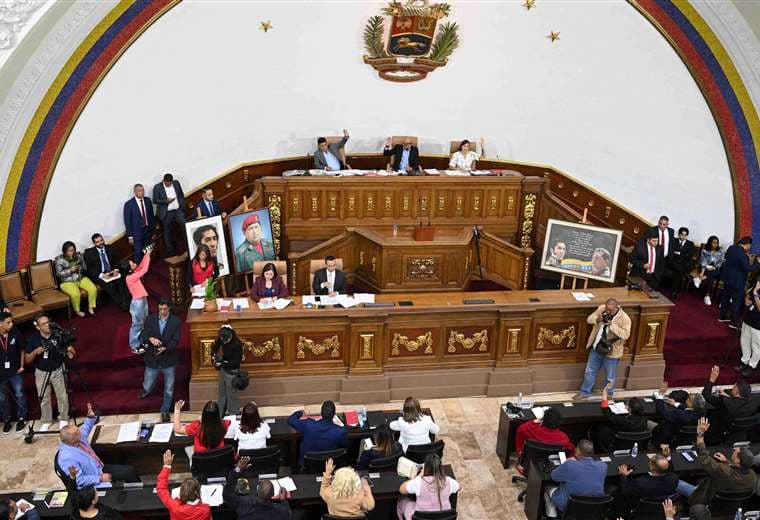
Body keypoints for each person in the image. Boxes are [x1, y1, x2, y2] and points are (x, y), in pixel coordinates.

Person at [676, 417, 757, 506]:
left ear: (738, 460)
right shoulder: (753, 476)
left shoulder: (724, 471)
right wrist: (727, 461)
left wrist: (700, 434)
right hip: (726, 505)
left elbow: (704, 458)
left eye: (736, 452)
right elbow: (735, 473)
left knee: (676, 482)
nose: (734, 451)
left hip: (703, 497)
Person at [57, 402, 140, 487]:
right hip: (94, 478)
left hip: (97, 466)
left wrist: (90, 417)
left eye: (78, 430)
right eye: (77, 432)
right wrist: (99, 478)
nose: (81, 432)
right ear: (71, 441)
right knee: (129, 471)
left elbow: (85, 429)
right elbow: (78, 480)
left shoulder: (77, 437)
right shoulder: (66, 459)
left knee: (126, 466)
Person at [24, 314, 74, 431]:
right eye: (44, 324)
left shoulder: (58, 335)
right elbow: (27, 359)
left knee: (62, 395)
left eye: (48, 322)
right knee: (44, 398)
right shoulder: (33, 339)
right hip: (41, 372)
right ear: (38, 327)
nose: (48, 325)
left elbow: (71, 350)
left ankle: (63, 418)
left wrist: (69, 351)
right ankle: (46, 420)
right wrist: (35, 352)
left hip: (57, 369)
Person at [574, 298, 631, 400]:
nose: (608, 312)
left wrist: (612, 325)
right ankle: (584, 392)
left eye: (610, 310)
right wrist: (597, 319)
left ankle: (608, 395)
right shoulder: (602, 309)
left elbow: (625, 335)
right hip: (597, 348)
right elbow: (589, 319)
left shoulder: (624, 318)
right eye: (607, 309)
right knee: (589, 371)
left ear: (616, 307)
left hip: (612, 351)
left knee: (610, 376)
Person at [138, 299, 181, 423]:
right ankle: (147, 390)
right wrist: (150, 338)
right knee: (148, 383)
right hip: (153, 358)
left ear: (169, 308)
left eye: (165, 309)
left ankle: (165, 410)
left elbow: (176, 340)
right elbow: (143, 335)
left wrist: (166, 348)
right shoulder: (150, 319)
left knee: (169, 388)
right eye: (160, 309)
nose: (162, 311)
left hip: (168, 360)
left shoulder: (175, 322)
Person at [545, 439, 606, 518]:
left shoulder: (570, 465)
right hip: (593, 508)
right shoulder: (603, 466)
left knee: (547, 488)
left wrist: (567, 463)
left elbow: (553, 477)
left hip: (569, 508)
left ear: (578, 452)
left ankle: (553, 517)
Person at [223, 456, 293, 520]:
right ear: (273, 494)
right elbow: (288, 515)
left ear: (257, 491)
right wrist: (284, 500)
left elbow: (227, 494)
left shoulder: (243, 505)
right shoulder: (281, 511)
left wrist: (237, 470)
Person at [701, 365, 756, 444]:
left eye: (733, 388)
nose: (732, 389)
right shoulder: (753, 403)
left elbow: (706, 394)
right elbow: (737, 402)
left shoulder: (724, 402)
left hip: (721, 428)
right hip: (740, 429)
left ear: (736, 392)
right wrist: (728, 397)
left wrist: (712, 379)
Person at [397, 453, 460, 520]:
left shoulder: (418, 481)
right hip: (443, 517)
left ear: (425, 468)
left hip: (420, 517)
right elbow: (459, 488)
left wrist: (419, 475)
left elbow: (401, 489)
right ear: (440, 468)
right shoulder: (449, 481)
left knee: (402, 500)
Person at [287, 400, 347, 467]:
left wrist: (300, 412)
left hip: (307, 466)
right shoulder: (340, 431)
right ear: (334, 415)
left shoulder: (309, 425)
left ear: (321, 413)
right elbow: (345, 446)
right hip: (329, 467)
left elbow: (291, 419)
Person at [591, 383, 647, 453]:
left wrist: (605, 396)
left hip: (617, 445)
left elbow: (608, 414)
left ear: (630, 409)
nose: (625, 406)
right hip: (633, 447)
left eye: (627, 405)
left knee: (600, 428)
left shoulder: (623, 421)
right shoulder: (645, 419)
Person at [157, 450, 211, 520]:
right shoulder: (205, 509)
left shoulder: (175, 507)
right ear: (198, 492)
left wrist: (167, 466)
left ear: (181, 492)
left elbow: (161, 489)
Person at [719, 236, 760, 329]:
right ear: (747, 245)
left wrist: (746, 257)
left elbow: (730, 260)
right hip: (737, 281)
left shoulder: (731, 248)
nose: (750, 248)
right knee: (736, 302)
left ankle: (722, 317)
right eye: (750, 246)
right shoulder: (742, 254)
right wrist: (758, 263)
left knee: (725, 297)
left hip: (727, 278)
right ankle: (733, 323)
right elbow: (748, 268)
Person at [84, 233, 130, 311]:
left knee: (121, 280)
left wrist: (116, 270)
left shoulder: (110, 248)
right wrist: (102, 275)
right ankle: (122, 304)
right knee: (108, 286)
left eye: (101, 240)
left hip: (111, 272)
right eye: (98, 242)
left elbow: (116, 261)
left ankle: (126, 301)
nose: (100, 242)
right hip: (100, 274)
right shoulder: (89, 253)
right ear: (94, 243)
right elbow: (90, 269)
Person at [120, 246, 152, 353]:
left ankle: (142, 341)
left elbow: (141, 266)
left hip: (142, 300)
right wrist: (147, 255)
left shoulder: (132, 273)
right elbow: (144, 269)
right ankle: (134, 345)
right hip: (138, 303)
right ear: (129, 269)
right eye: (132, 264)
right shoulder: (130, 278)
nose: (134, 263)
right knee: (137, 324)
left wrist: (146, 255)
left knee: (144, 322)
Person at [55, 241, 98, 318]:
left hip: (80, 277)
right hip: (67, 281)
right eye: (70, 251)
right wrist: (70, 270)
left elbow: (85, 268)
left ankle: (91, 307)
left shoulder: (78, 256)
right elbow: (58, 274)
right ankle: (77, 311)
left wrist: (79, 268)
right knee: (75, 294)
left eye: (73, 250)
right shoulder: (59, 260)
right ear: (65, 251)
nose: (72, 252)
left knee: (93, 289)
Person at [0, 311, 26, 433]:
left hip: (15, 370)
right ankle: (6, 420)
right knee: (2, 398)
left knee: (19, 394)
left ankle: (22, 418)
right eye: (8, 322)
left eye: (12, 322)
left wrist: (21, 365)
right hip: (1, 374)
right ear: (0, 324)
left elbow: (22, 349)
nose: (11, 324)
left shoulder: (16, 332)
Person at [153, 173, 187, 257]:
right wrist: (165, 201)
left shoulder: (176, 183)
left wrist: (182, 204)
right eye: (167, 183)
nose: (169, 184)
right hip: (166, 213)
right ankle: (170, 252)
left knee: (185, 227)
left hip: (178, 211)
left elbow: (181, 194)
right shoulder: (157, 187)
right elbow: (155, 200)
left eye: (170, 183)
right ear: (163, 180)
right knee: (167, 232)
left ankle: (188, 247)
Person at [212, 324, 243, 415]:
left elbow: (237, 362)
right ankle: (221, 412)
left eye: (227, 340)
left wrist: (222, 363)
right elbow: (215, 347)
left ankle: (234, 412)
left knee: (231, 394)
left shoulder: (237, 344)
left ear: (231, 336)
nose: (224, 342)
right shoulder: (222, 338)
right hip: (223, 369)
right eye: (223, 340)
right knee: (222, 393)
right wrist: (214, 356)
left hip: (232, 371)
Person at [123, 183, 154, 262]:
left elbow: (151, 215)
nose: (142, 192)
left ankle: (147, 267)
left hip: (147, 230)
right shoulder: (129, 204)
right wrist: (130, 236)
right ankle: (139, 271)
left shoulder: (147, 200)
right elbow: (127, 221)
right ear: (135, 192)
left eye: (143, 190)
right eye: (140, 191)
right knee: (138, 252)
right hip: (137, 232)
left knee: (148, 251)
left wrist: (153, 230)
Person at [738, 275, 760, 377]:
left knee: (756, 346)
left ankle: (752, 366)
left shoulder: (757, 289)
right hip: (748, 318)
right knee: (744, 340)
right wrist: (747, 298)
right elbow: (748, 293)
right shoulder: (757, 283)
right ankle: (744, 361)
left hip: (758, 324)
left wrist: (755, 293)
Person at [694, 235, 724, 305]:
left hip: (715, 269)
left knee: (714, 273)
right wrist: (702, 272)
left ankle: (699, 279)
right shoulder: (705, 251)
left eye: (717, 243)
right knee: (711, 277)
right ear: (710, 243)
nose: (715, 244)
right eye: (713, 242)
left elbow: (720, 262)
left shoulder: (720, 251)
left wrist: (714, 267)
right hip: (704, 268)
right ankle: (707, 296)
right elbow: (703, 261)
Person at [668, 226, 696, 299]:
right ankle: (675, 291)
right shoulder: (674, 241)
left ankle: (674, 291)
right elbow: (671, 254)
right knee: (678, 269)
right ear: (679, 234)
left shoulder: (690, 244)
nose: (683, 236)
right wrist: (682, 254)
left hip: (684, 265)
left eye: (685, 235)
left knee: (678, 270)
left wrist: (678, 254)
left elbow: (689, 257)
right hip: (673, 263)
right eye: (682, 234)